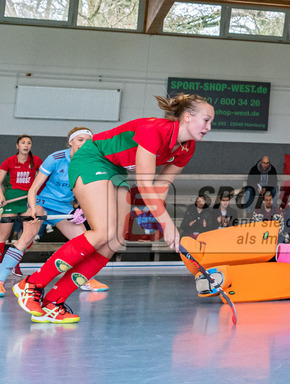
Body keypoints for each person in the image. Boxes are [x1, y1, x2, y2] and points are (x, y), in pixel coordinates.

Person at [13, 93, 214, 323]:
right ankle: (32, 283)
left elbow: (162, 185)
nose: (209, 127)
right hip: (92, 158)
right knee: (103, 231)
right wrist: (168, 225)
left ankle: (54, 301)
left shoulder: (187, 148)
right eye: (206, 120)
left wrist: (154, 216)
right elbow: (144, 184)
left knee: (115, 240)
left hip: (116, 169)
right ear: (187, 117)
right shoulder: (155, 130)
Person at [1, 128, 110, 296]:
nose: (84, 144)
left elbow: (87, 192)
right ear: (71, 141)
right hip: (41, 202)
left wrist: (81, 209)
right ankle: (0, 280)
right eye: (80, 140)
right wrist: (33, 209)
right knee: (27, 237)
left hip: (64, 207)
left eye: (88, 141)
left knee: (86, 241)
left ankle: (86, 280)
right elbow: (33, 189)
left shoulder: (90, 163)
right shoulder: (56, 158)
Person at [0, 135, 42, 296]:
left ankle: (14, 264)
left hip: (28, 200)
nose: (26, 145)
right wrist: (1, 196)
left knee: (28, 235)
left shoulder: (36, 160)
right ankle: (1, 265)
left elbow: (44, 177)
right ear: (17, 146)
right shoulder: (9, 161)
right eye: (23, 142)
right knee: (3, 235)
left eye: (29, 143)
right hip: (11, 199)